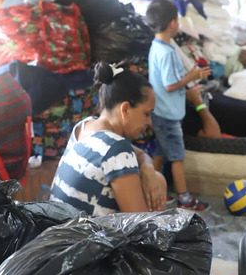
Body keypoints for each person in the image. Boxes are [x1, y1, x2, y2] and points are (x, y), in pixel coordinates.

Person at [50, 61, 167, 216]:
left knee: (154, 178)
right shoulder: (116, 147)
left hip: (56, 233)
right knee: (159, 182)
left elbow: (141, 155)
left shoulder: (84, 127)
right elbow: (142, 225)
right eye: (147, 113)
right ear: (125, 109)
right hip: (80, 239)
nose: (149, 122)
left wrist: (147, 168)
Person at [145, 0, 212, 211]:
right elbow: (170, 85)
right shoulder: (167, 52)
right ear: (173, 23)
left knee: (160, 154)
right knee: (177, 158)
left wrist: (188, 82)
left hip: (160, 111)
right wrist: (191, 76)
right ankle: (184, 199)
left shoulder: (156, 47)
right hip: (168, 115)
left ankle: (153, 194)